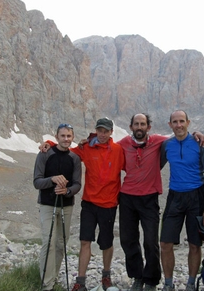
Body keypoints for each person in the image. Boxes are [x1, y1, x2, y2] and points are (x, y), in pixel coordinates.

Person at [117, 113, 204, 291]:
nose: (139, 127)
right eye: (136, 124)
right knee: (128, 239)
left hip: (150, 197)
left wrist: (197, 132)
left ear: (148, 127)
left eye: (142, 124)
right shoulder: (123, 144)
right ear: (131, 127)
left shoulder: (160, 141)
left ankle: (151, 280)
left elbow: (180, 135)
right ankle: (137, 276)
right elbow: (106, 148)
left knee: (151, 241)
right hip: (127, 196)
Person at [43, 118, 125, 291]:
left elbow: (132, 168)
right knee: (85, 241)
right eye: (100, 130)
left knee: (106, 242)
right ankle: (80, 281)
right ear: (96, 130)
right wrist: (49, 143)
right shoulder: (86, 148)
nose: (102, 134)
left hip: (109, 204)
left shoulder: (118, 150)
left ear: (111, 132)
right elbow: (65, 150)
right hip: (89, 203)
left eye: (106, 131)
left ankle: (106, 275)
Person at [159, 110, 204, 291]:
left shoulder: (200, 144)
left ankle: (191, 284)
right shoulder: (167, 145)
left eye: (182, 121)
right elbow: (154, 166)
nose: (179, 125)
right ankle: (168, 284)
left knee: (194, 243)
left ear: (188, 122)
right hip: (175, 196)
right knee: (165, 243)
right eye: (175, 122)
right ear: (170, 125)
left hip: (197, 196)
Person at [33, 123, 82, 291]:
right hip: (47, 204)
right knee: (49, 241)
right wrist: (52, 180)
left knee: (61, 243)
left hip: (67, 205)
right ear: (56, 137)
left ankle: (52, 278)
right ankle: (46, 285)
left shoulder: (75, 158)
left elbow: (77, 184)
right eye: (63, 136)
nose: (66, 139)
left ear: (72, 137)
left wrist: (67, 191)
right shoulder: (44, 154)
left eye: (69, 136)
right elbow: (37, 182)